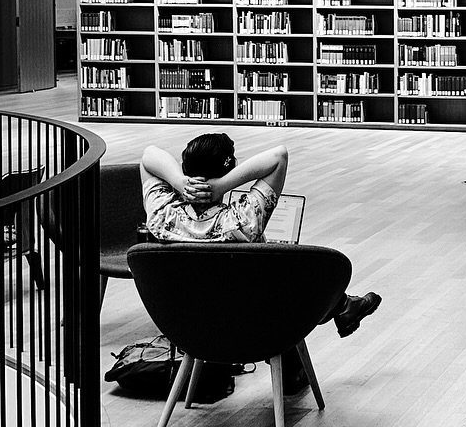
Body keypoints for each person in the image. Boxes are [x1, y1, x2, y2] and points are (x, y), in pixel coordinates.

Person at [139, 134, 381, 399]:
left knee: (268, 272)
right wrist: (221, 186)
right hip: (254, 329)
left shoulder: (162, 217)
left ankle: (343, 308)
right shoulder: (241, 221)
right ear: (229, 167)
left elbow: (149, 155)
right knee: (278, 274)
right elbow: (278, 156)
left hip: (187, 329)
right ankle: (341, 306)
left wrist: (178, 182)